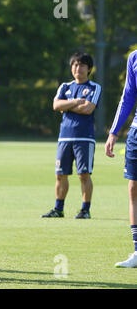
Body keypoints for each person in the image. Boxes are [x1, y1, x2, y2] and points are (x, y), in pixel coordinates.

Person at [41, 52, 101, 219]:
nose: (77, 68)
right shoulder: (65, 86)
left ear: (89, 68)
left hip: (84, 137)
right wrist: (76, 102)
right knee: (60, 174)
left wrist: (66, 105)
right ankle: (58, 209)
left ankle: (85, 210)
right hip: (64, 137)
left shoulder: (95, 87)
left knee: (84, 174)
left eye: (81, 65)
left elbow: (88, 108)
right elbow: (55, 104)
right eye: (75, 64)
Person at [105, 49, 137, 268]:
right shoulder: (134, 57)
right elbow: (128, 95)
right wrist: (114, 132)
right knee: (133, 190)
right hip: (136, 133)